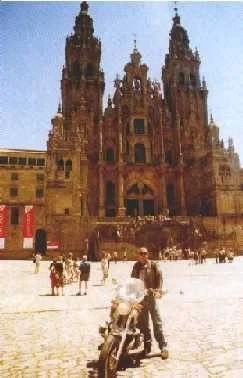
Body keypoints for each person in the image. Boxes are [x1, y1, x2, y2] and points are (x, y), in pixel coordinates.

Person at [131, 247, 168, 359]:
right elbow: (132, 279)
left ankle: (162, 346)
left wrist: (158, 290)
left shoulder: (153, 265)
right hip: (141, 298)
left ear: (148, 254)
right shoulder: (136, 266)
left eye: (145, 254)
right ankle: (147, 346)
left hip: (151, 297)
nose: (143, 256)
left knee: (157, 321)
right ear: (138, 255)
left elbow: (159, 278)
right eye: (141, 254)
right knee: (144, 324)